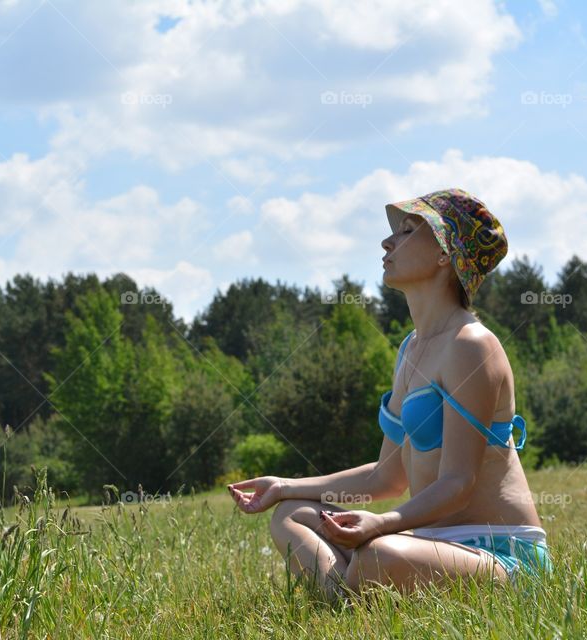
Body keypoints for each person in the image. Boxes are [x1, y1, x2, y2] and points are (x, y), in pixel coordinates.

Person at [227, 189, 552, 602]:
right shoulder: (411, 349)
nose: (387, 242)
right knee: (292, 516)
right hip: (429, 547)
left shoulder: (472, 345)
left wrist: (382, 525)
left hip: (499, 553)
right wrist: (286, 485)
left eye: (408, 230)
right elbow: (387, 477)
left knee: (377, 554)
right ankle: (345, 602)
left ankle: (347, 593)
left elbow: (459, 483)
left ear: (443, 254)